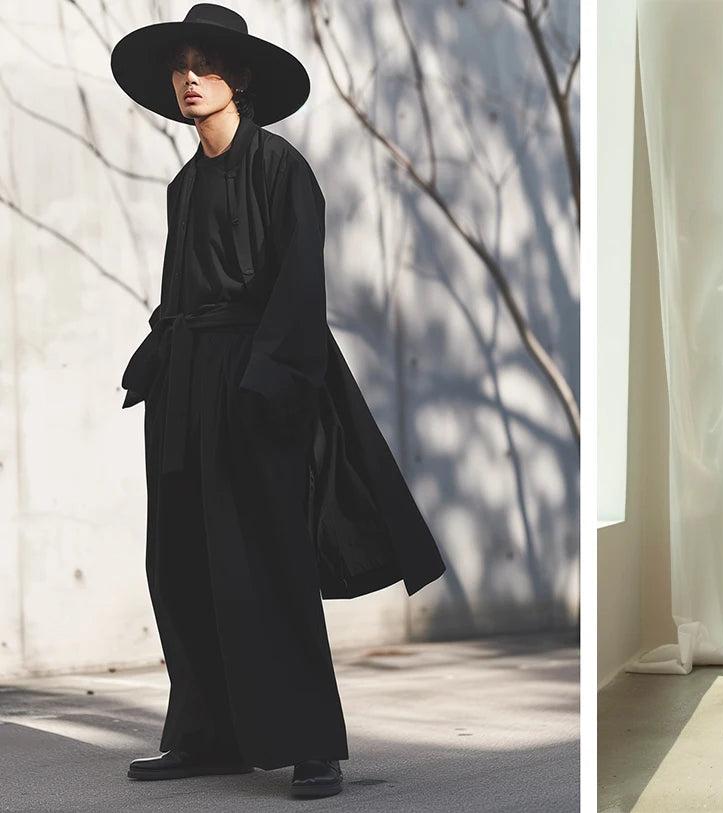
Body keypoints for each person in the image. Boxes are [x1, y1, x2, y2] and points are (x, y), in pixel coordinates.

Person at [110, 3, 446, 799]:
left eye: (207, 65)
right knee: (182, 561)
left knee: (270, 560)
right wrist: (156, 358)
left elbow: (300, 288)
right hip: (186, 386)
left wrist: (267, 384)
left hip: (262, 383)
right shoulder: (184, 186)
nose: (190, 79)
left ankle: (311, 743)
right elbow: (177, 296)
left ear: (241, 79)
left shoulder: (281, 168)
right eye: (181, 66)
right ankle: (205, 736)